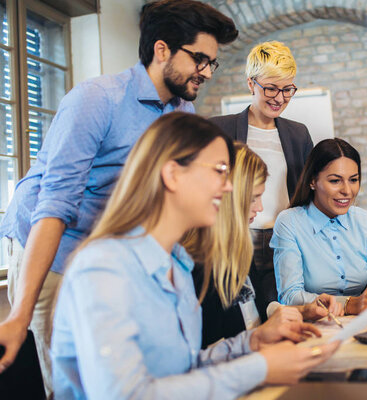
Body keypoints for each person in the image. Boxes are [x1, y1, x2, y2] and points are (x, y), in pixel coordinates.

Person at [0, 0, 238, 392]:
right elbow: (55, 205)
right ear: (162, 50)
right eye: (200, 59)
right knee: (73, 382)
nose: (207, 72)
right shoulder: (98, 99)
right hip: (53, 243)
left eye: (212, 62)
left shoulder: (184, 115)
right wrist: (18, 316)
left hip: (110, 250)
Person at [50, 112, 339, 400]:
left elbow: (186, 368)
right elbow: (127, 395)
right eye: (219, 171)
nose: (228, 187)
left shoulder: (175, 262)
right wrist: (258, 368)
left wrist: (251, 342)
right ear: (173, 174)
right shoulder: (103, 269)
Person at [183, 143, 342, 348]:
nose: (260, 208)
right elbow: (206, 350)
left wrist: (301, 312)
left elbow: (254, 310)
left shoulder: (237, 246)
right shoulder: (194, 265)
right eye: (252, 199)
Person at [210, 41, 313, 311]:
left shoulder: (298, 133)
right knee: (243, 312)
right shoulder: (220, 129)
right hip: (238, 235)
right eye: (270, 88)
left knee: (284, 308)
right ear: (250, 84)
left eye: (287, 89)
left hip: (284, 238)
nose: (279, 97)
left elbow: (307, 191)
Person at [272, 138, 367, 315]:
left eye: (353, 180)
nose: (347, 191)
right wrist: (348, 304)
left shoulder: (365, 222)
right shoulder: (289, 222)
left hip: (366, 320)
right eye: (335, 181)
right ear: (313, 181)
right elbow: (290, 296)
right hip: (316, 325)